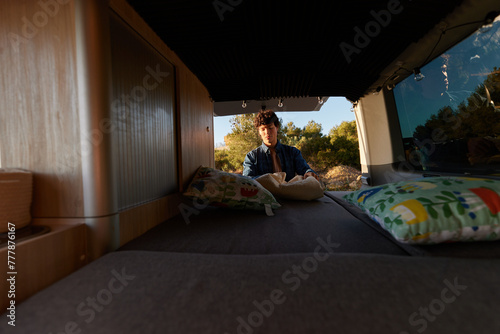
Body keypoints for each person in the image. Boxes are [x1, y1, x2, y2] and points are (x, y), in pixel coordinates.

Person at [243, 110, 319, 181]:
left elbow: (304, 169)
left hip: (289, 194)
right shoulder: (251, 157)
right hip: (265, 195)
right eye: (263, 129)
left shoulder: (293, 152)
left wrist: (309, 173)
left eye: (270, 128)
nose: (267, 132)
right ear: (259, 132)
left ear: (277, 127)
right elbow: (248, 180)